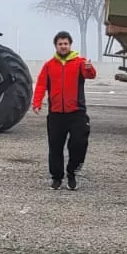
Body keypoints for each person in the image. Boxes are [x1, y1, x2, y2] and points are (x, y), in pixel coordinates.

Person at [32, 31, 96, 190]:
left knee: (79, 143)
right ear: (56, 46)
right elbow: (41, 84)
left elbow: (90, 75)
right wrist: (37, 102)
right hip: (56, 114)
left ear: (70, 45)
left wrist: (89, 68)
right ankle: (56, 177)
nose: (63, 46)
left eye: (66, 43)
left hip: (77, 113)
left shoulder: (79, 62)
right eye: (60, 44)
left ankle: (72, 171)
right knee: (55, 147)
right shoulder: (49, 65)